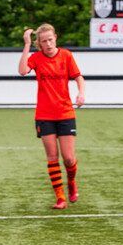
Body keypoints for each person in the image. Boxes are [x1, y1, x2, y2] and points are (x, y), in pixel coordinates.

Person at [18, 23, 85, 209]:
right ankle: (60, 197)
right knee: (52, 157)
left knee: (69, 158)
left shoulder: (66, 55)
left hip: (65, 113)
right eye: (44, 41)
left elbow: (79, 77)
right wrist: (26, 45)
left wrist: (81, 93)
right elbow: (23, 71)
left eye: (50, 39)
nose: (48, 44)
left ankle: (71, 182)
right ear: (38, 43)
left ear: (55, 37)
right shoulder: (36, 58)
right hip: (44, 115)